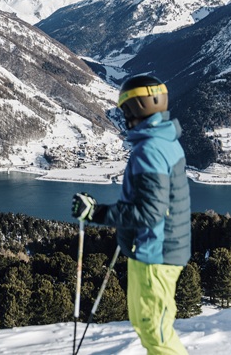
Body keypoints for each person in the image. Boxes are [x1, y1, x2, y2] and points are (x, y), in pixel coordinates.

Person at [72, 74, 191, 355]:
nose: (123, 117)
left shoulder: (150, 150)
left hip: (155, 254)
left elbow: (150, 212)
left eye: (125, 109)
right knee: (147, 325)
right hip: (155, 250)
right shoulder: (163, 141)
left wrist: (96, 213)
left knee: (156, 333)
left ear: (138, 108)